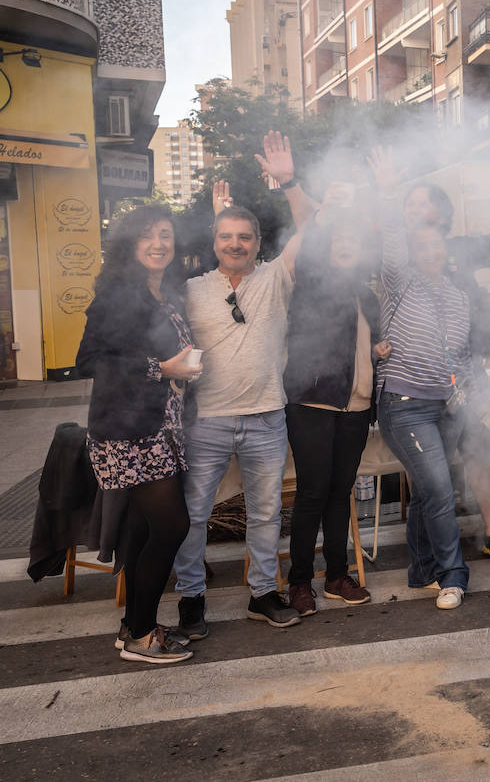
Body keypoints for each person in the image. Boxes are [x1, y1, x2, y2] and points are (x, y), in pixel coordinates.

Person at [174, 170, 305, 638]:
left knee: (266, 514)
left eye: (244, 237)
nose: (235, 244)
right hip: (206, 422)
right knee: (193, 515)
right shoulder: (192, 289)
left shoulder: (275, 277)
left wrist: (289, 181)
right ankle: (191, 598)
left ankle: (263, 593)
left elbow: (310, 229)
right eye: (226, 236)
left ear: (258, 242)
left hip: (266, 417)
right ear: (214, 240)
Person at [76, 205, 199, 664]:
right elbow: (89, 360)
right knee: (172, 526)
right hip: (128, 433)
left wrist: (181, 371)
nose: (158, 244)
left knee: (144, 528)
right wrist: (160, 368)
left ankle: (134, 625)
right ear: (130, 244)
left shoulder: (165, 294)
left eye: (165, 234)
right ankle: (143, 636)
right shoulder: (117, 294)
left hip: (158, 427)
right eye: (148, 235)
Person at [370, 148, 486, 610]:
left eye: (438, 246)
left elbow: (463, 357)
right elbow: (392, 241)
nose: (431, 252)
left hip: (446, 405)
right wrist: (387, 193)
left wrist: (470, 394)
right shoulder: (400, 282)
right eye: (423, 247)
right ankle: (452, 575)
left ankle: (421, 569)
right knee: (439, 489)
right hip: (403, 405)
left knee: (427, 489)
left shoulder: (459, 298)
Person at [397, 179, 490, 565]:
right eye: (410, 205)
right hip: (421, 378)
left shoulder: (460, 246)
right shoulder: (399, 257)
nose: (415, 210)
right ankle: (431, 540)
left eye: (422, 203)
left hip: (466, 368)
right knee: (429, 462)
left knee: (479, 444)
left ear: (441, 212)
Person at [281, 216, 384, 616]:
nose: (345, 244)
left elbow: (361, 346)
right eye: (337, 239)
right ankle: (299, 581)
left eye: (352, 239)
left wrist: (377, 351)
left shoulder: (366, 296)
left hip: (356, 406)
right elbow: (300, 257)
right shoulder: (311, 286)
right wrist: (317, 213)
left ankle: (337, 576)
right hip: (313, 403)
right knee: (313, 492)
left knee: (341, 492)